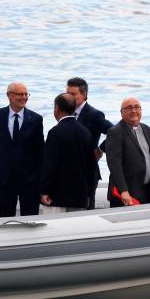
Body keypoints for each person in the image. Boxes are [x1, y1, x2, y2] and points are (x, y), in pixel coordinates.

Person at [0, 82, 44, 217]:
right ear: (10, 96)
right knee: (6, 218)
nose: (24, 97)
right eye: (20, 94)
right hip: (5, 178)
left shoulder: (35, 119)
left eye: (26, 94)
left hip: (30, 180)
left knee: (30, 219)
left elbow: (41, 151)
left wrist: (42, 180)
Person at [41, 93, 95, 210]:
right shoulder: (85, 132)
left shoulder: (55, 132)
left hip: (58, 197)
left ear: (57, 108)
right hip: (80, 196)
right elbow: (92, 166)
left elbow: (50, 165)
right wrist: (89, 193)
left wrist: (45, 190)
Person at [106, 97, 150, 207]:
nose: (133, 111)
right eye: (129, 108)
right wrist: (123, 190)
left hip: (148, 191)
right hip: (127, 194)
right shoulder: (115, 132)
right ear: (122, 112)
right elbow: (114, 164)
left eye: (137, 107)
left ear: (141, 110)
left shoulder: (149, 131)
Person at [66, 77, 113, 209]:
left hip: (87, 171)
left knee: (85, 210)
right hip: (68, 171)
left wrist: (101, 149)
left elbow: (114, 132)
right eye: (67, 94)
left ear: (84, 95)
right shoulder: (65, 111)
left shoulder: (94, 114)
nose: (69, 98)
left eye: (73, 94)